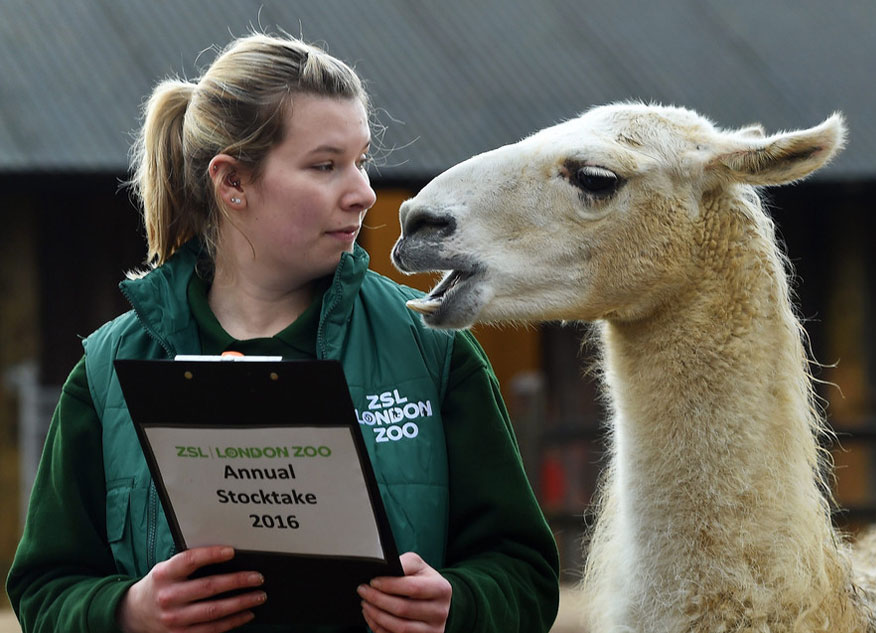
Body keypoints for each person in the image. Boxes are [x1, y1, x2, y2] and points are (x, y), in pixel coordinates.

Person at [6, 31, 559, 633]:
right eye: (325, 166)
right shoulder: (107, 370)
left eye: (361, 160)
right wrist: (126, 613)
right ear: (232, 183)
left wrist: (461, 603)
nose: (364, 193)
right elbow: (44, 588)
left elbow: (526, 575)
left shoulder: (432, 345)